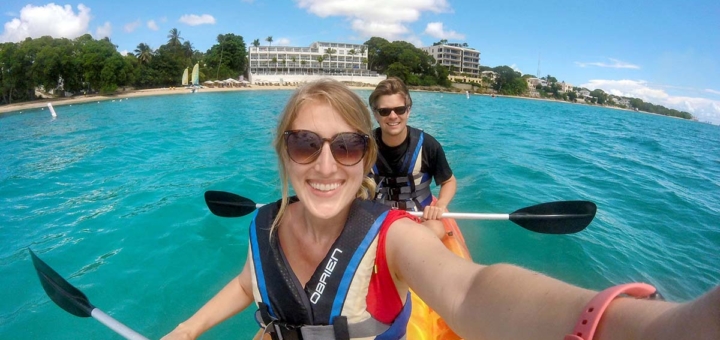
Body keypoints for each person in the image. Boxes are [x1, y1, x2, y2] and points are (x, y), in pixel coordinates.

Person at [162, 79, 719, 340]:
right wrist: (187, 330)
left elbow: (472, 291)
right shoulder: (270, 224)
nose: (326, 164)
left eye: (347, 146)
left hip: (413, 223)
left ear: (364, 153)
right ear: (284, 151)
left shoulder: (405, 203)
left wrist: (641, 329)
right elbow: (248, 283)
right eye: (306, 144)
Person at [368, 77, 457, 238]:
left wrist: (441, 205)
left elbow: (449, 181)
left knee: (436, 230)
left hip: (419, 218)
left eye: (400, 109)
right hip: (376, 218)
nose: (393, 116)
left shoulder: (428, 145)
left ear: (408, 111)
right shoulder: (364, 146)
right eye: (384, 111)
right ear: (376, 114)